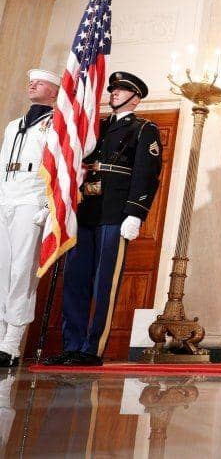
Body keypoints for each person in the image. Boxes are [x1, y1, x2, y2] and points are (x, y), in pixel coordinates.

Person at [44, 72, 162, 366]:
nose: (114, 93)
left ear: (136, 97)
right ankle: (72, 344)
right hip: (86, 211)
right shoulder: (97, 127)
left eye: (121, 90)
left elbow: (147, 174)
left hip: (115, 212)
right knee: (76, 279)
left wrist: (136, 213)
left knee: (103, 283)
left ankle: (91, 348)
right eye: (113, 89)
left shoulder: (144, 129)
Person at [0, 69, 59, 366]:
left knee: (22, 271)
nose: (32, 84)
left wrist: (48, 207)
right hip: (7, 196)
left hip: (32, 198)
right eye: (31, 81)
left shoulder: (57, 124)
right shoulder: (14, 126)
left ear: (54, 91)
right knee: (2, 269)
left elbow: (61, 168)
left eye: (41, 81)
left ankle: (11, 343)